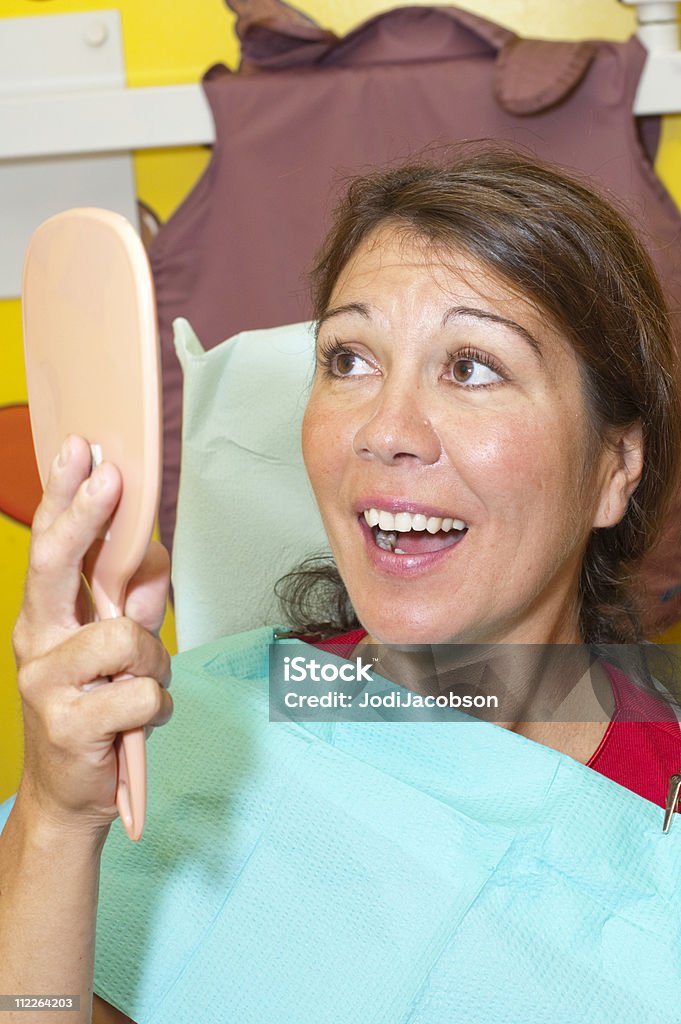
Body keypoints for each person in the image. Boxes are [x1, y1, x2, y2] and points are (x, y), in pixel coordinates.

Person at [2, 147, 681, 1023]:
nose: (384, 430)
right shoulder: (196, 726)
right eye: (348, 359)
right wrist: (56, 823)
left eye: (471, 365)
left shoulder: (654, 820)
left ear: (613, 467)